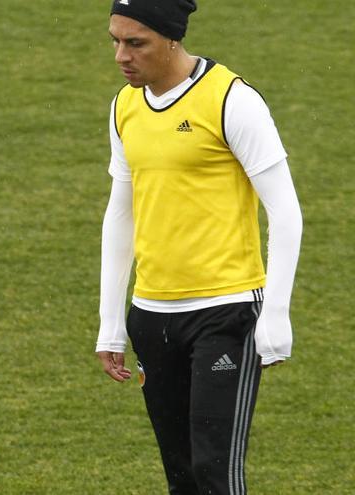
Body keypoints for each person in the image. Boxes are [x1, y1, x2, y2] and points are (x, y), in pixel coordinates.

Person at [95, 1, 302, 493]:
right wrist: (109, 323)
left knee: (215, 474)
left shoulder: (231, 100)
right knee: (181, 476)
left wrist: (276, 313)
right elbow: (120, 213)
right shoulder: (125, 104)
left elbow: (286, 211)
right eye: (115, 41)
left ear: (171, 38)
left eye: (135, 43)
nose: (121, 56)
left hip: (225, 314)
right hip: (151, 316)